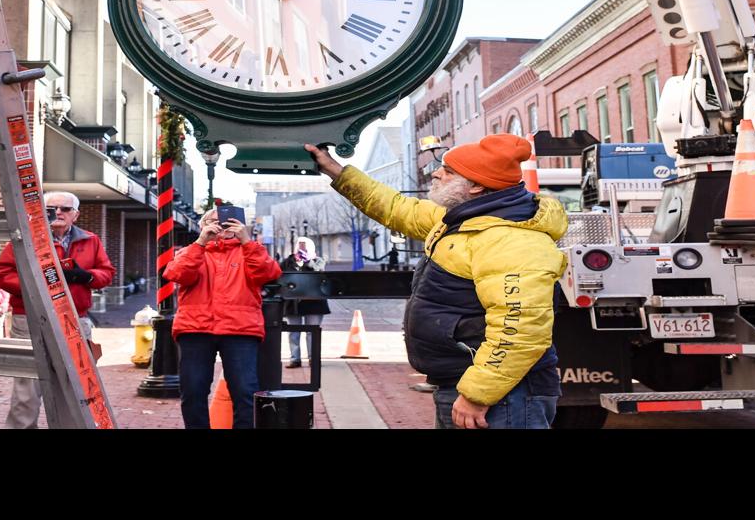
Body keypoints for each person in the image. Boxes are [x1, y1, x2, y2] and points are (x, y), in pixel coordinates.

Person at [305, 134, 567, 429]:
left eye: (448, 171)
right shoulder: (464, 221)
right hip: (472, 385)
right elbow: (395, 207)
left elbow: (520, 330)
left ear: (476, 186)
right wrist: (334, 170)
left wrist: (478, 394)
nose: (436, 173)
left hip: (503, 396)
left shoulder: (512, 240)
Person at [0, 191, 113, 428]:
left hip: (76, 319)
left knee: (74, 385)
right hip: (32, 319)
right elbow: (1, 273)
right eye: (51, 209)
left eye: (65, 209)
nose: (57, 213)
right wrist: (37, 286)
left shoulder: (90, 240)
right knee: (27, 387)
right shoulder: (25, 238)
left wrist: (86, 276)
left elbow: (106, 273)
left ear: (75, 215)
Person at [162, 206, 282, 429]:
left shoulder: (249, 251)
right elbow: (176, 274)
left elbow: (268, 274)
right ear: (202, 225)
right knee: (193, 390)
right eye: (213, 221)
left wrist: (246, 240)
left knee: (245, 392)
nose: (221, 226)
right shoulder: (192, 251)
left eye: (227, 221)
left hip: (240, 330)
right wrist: (200, 243)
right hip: (196, 329)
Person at [280, 235, 329, 368]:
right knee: (293, 332)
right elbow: (280, 275)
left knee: (312, 331)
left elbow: (319, 272)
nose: (302, 249)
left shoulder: (318, 261)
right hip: (293, 302)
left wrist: (308, 262)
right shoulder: (288, 261)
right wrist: (297, 263)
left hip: (313, 302)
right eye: (300, 246)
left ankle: (313, 358)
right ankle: (295, 358)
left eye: (305, 246)